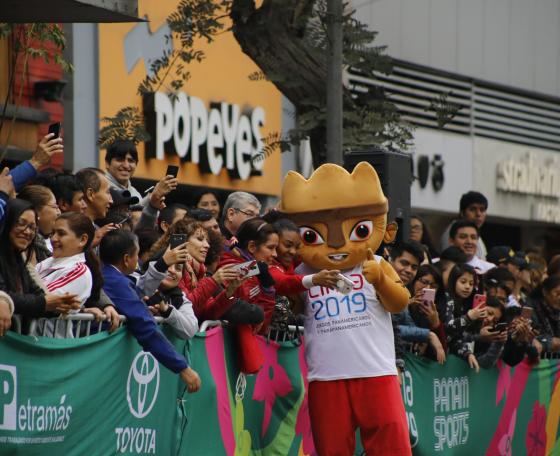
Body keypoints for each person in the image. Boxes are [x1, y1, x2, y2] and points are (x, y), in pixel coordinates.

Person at [99, 229, 201, 391]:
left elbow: (139, 296)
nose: (138, 261)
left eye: (178, 268)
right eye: (137, 255)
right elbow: (145, 326)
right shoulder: (117, 282)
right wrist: (182, 367)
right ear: (127, 259)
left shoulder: (112, 277)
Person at [0, 199, 80, 320]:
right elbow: (4, 294)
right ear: (7, 223)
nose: (27, 232)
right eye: (21, 223)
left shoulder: (19, 260)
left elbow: (36, 293)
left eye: (32, 227)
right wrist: (43, 303)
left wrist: (59, 305)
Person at [34, 212, 108, 337]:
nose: (53, 238)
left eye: (61, 233)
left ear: (82, 240)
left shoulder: (79, 271)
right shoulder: (47, 262)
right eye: (53, 233)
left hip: (48, 349)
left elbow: (42, 300)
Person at [104, 140, 179, 209]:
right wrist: (153, 197)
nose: (126, 165)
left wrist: (154, 203)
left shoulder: (135, 193)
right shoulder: (101, 187)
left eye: (131, 161)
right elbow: (125, 218)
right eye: (120, 160)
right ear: (107, 163)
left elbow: (136, 221)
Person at [18, 184, 61, 264]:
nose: (59, 212)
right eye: (55, 206)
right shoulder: (25, 245)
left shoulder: (48, 240)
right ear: (36, 211)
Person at [440, 191, 489, 259]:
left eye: (482, 210)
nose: (478, 214)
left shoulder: (475, 232)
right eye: (473, 209)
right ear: (462, 213)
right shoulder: (453, 231)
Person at [527, 275, 560, 353]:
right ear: (545, 292)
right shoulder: (530, 308)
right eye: (558, 293)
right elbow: (525, 336)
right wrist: (549, 342)